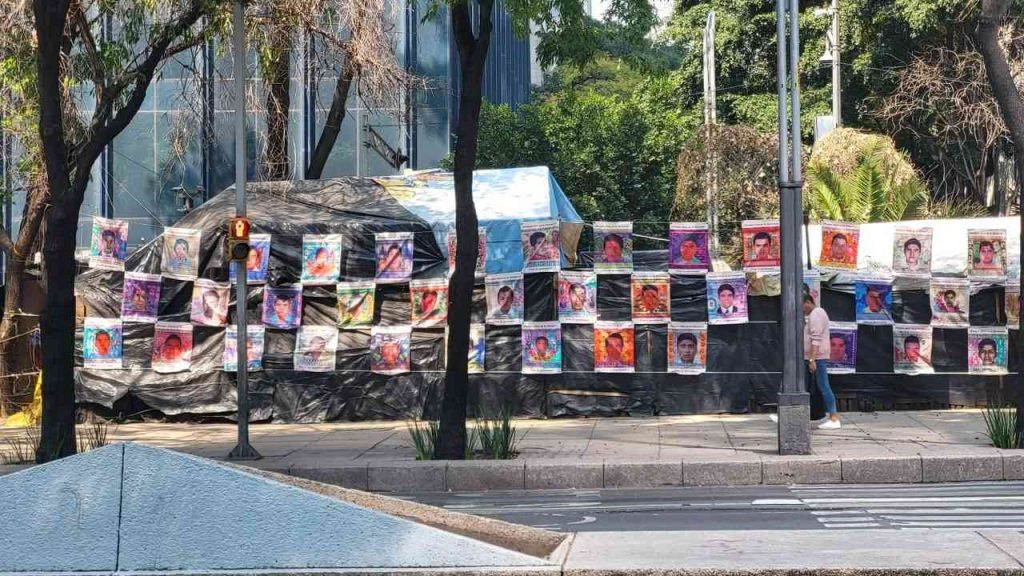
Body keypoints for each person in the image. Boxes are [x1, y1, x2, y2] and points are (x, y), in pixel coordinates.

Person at [804, 293, 840, 429]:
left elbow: (816, 339)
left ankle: (834, 418)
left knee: (824, 386)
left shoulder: (816, 314)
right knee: (818, 386)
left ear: (808, 302)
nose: (802, 310)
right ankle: (830, 416)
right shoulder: (815, 314)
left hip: (817, 357)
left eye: (802, 306)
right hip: (814, 357)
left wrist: (812, 359)